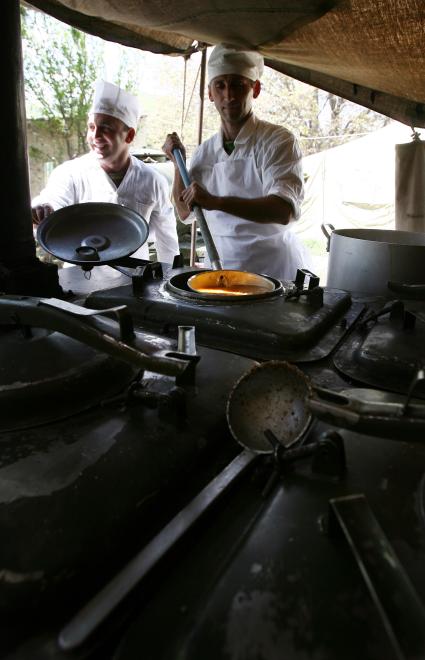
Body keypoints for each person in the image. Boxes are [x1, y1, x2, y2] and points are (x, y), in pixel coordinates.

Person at [162, 44, 312, 281]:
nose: (228, 95)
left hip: (275, 273)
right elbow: (185, 212)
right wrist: (176, 162)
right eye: (220, 85)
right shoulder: (205, 152)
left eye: (237, 85)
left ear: (255, 88)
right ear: (210, 93)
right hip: (223, 271)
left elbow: (283, 210)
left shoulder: (277, 140)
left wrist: (216, 202)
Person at [32, 80, 179, 265]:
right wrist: (42, 207)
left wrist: (170, 280)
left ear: (130, 135)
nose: (95, 136)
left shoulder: (152, 180)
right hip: (80, 284)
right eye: (92, 127)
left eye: (106, 128)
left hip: (135, 284)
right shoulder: (70, 173)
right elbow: (52, 199)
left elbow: (168, 242)